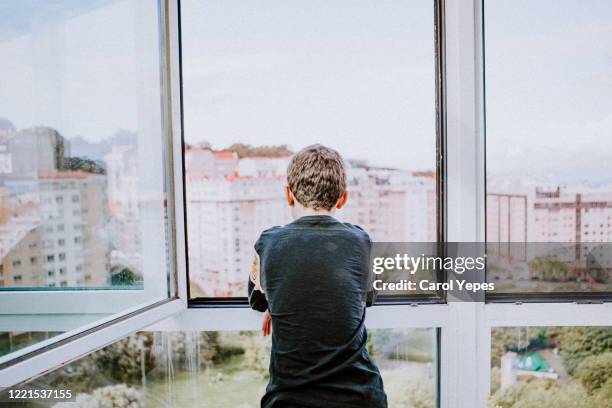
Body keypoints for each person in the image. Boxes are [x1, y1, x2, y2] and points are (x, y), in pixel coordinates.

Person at [248, 144, 387, 408]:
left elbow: (257, 301)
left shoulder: (268, 242)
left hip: (289, 400)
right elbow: (368, 297)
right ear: (342, 198)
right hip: (360, 398)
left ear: (288, 195)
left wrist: (278, 302)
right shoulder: (361, 240)